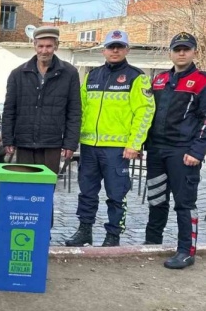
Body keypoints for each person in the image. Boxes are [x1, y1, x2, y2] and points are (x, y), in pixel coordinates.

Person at [65, 30, 155, 247]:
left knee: (116, 195)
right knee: (86, 192)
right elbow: (80, 110)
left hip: (117, 149)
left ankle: (113, 235)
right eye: (111, 47)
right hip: (89, 146)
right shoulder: (92, 76)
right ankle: (84, 230)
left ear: (127, 49)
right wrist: (73, 140)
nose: (115, 50)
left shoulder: (137, 77)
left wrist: (135, 144)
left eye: (120, 46)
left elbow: (145, 112)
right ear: (103, 50)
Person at [144, 32, 206, 269]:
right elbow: (147, 115)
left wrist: (198, 151)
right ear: (170, 52)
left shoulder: (202, 81)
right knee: (156, 199)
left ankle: (186, 251)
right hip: (157, 152)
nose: (181, 53)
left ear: (194, 52)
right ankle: (151, 243)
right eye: (177, 49)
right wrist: (141, 144)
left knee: (185, 203)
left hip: (183, 153)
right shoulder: (159, 80)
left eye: (186, 49)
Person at [2, 26, 81, 173]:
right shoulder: (18, 74)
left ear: (56, 46)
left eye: (49, 46)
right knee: (24, 187)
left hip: (52, 142)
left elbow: (74, 111)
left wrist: (70, 143)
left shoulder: (69, 73)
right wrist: (7, 139)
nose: (44, 51)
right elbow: (9, 110)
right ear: (34, 46)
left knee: (46, 187)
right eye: (41, 46)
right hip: (24, 141)